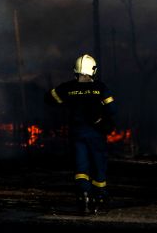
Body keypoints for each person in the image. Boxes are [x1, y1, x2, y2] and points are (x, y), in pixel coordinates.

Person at [47, 54, 116, 215]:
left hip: (77, 134)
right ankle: (100, 197)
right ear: (93, 70)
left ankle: (84, 196)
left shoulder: (68, 88)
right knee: (98, 165)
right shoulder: (100, 88)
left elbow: (50, 98)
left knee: (81, 167)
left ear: (76, 70)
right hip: (96, 135)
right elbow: (113, 110)